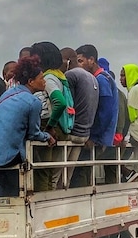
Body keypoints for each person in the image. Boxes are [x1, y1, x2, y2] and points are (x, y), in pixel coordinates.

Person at [0, 55, 56, 196]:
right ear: (31, 81)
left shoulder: (8, 93)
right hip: (4, 158)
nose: (44, 81)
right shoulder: (33, 102)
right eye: (41, 78)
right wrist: (47, 136)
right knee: (17, 191)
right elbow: (33, 133)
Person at [31, 41, 72, 191]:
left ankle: (42, 201)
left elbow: (60, 102)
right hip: (61, 126)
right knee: (48, 171)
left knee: (42, 171)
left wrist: (49, 126)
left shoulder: (47, 78)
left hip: (49, 125)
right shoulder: (59, 75)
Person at [74, 44, 117, 185]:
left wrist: (94, 136)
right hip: (101, 136)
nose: (78, 65)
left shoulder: (101, 80)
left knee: (80, 171)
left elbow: (105, 112)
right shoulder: (103, 77)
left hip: (99, 137)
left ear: (91, 60)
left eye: (80, 61)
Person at [62, 47, 98, 187]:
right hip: (84, 134)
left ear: (68, 61)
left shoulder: (70, 75)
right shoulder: (92, 78)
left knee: (56, 176)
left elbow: (67, 104)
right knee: (68, 176)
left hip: (72, 133)